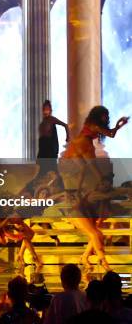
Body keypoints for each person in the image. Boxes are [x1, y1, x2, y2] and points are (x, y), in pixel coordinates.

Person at [61, 106, 128, 270]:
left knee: (96, 230)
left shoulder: (90, 134)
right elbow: (110, 134)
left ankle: (86, 257)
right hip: (81, 149)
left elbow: (111, 133)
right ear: (98, 116)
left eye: (107, 116)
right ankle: (103, 263)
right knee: (96, 233)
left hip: (80, 155)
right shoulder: (92, 127)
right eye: (104, 116)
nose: (105, 119)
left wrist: (119, 125)